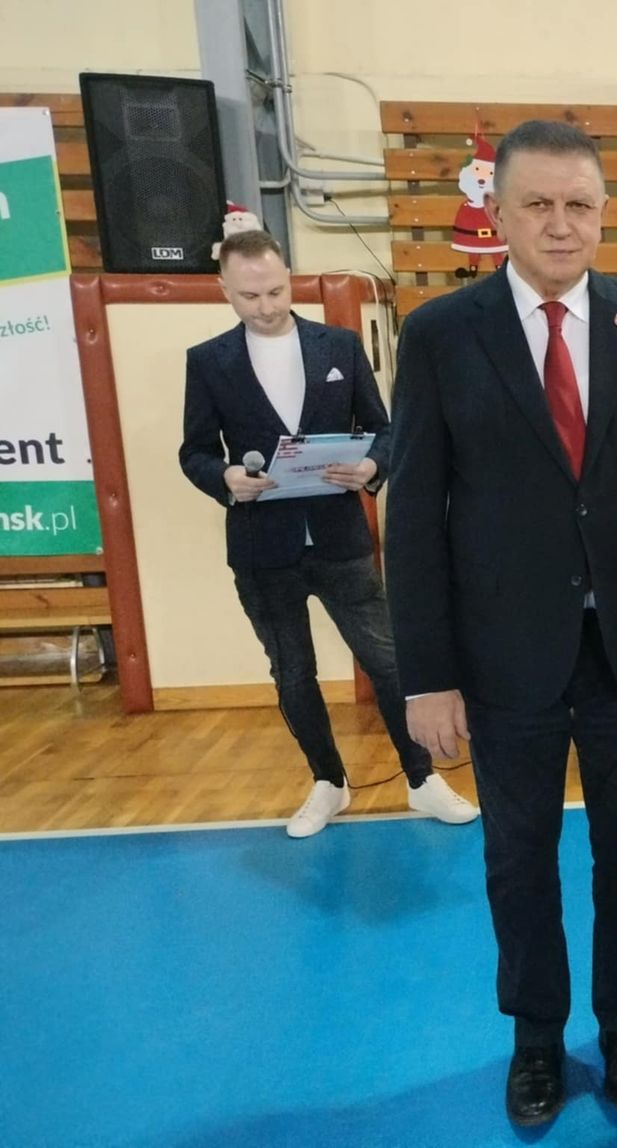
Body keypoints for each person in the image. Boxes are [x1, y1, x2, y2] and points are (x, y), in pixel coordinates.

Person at [383, 121, 617, 1128]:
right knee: (518, 856)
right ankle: (536, 1035)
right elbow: (415, 514)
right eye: (537, 204)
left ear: (604, 214)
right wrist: (426, 674)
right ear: (499, 213)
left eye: (579, 204)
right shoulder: (442, 334)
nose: (559, 223)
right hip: (504, 655)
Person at [179, 229, 479, 839]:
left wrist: (370, 467)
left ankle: (421, 779)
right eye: (249, 296)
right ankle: (328, 782)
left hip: (341, 538)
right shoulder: (208, 361)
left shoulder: (338, 345)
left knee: (389, 664)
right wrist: (226, 478)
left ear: (289, 279)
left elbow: (385, 430)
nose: (266, 306)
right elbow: (195, 452)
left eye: (275, 291)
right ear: (225, 290)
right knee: (292, 673)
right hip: (263, 548)